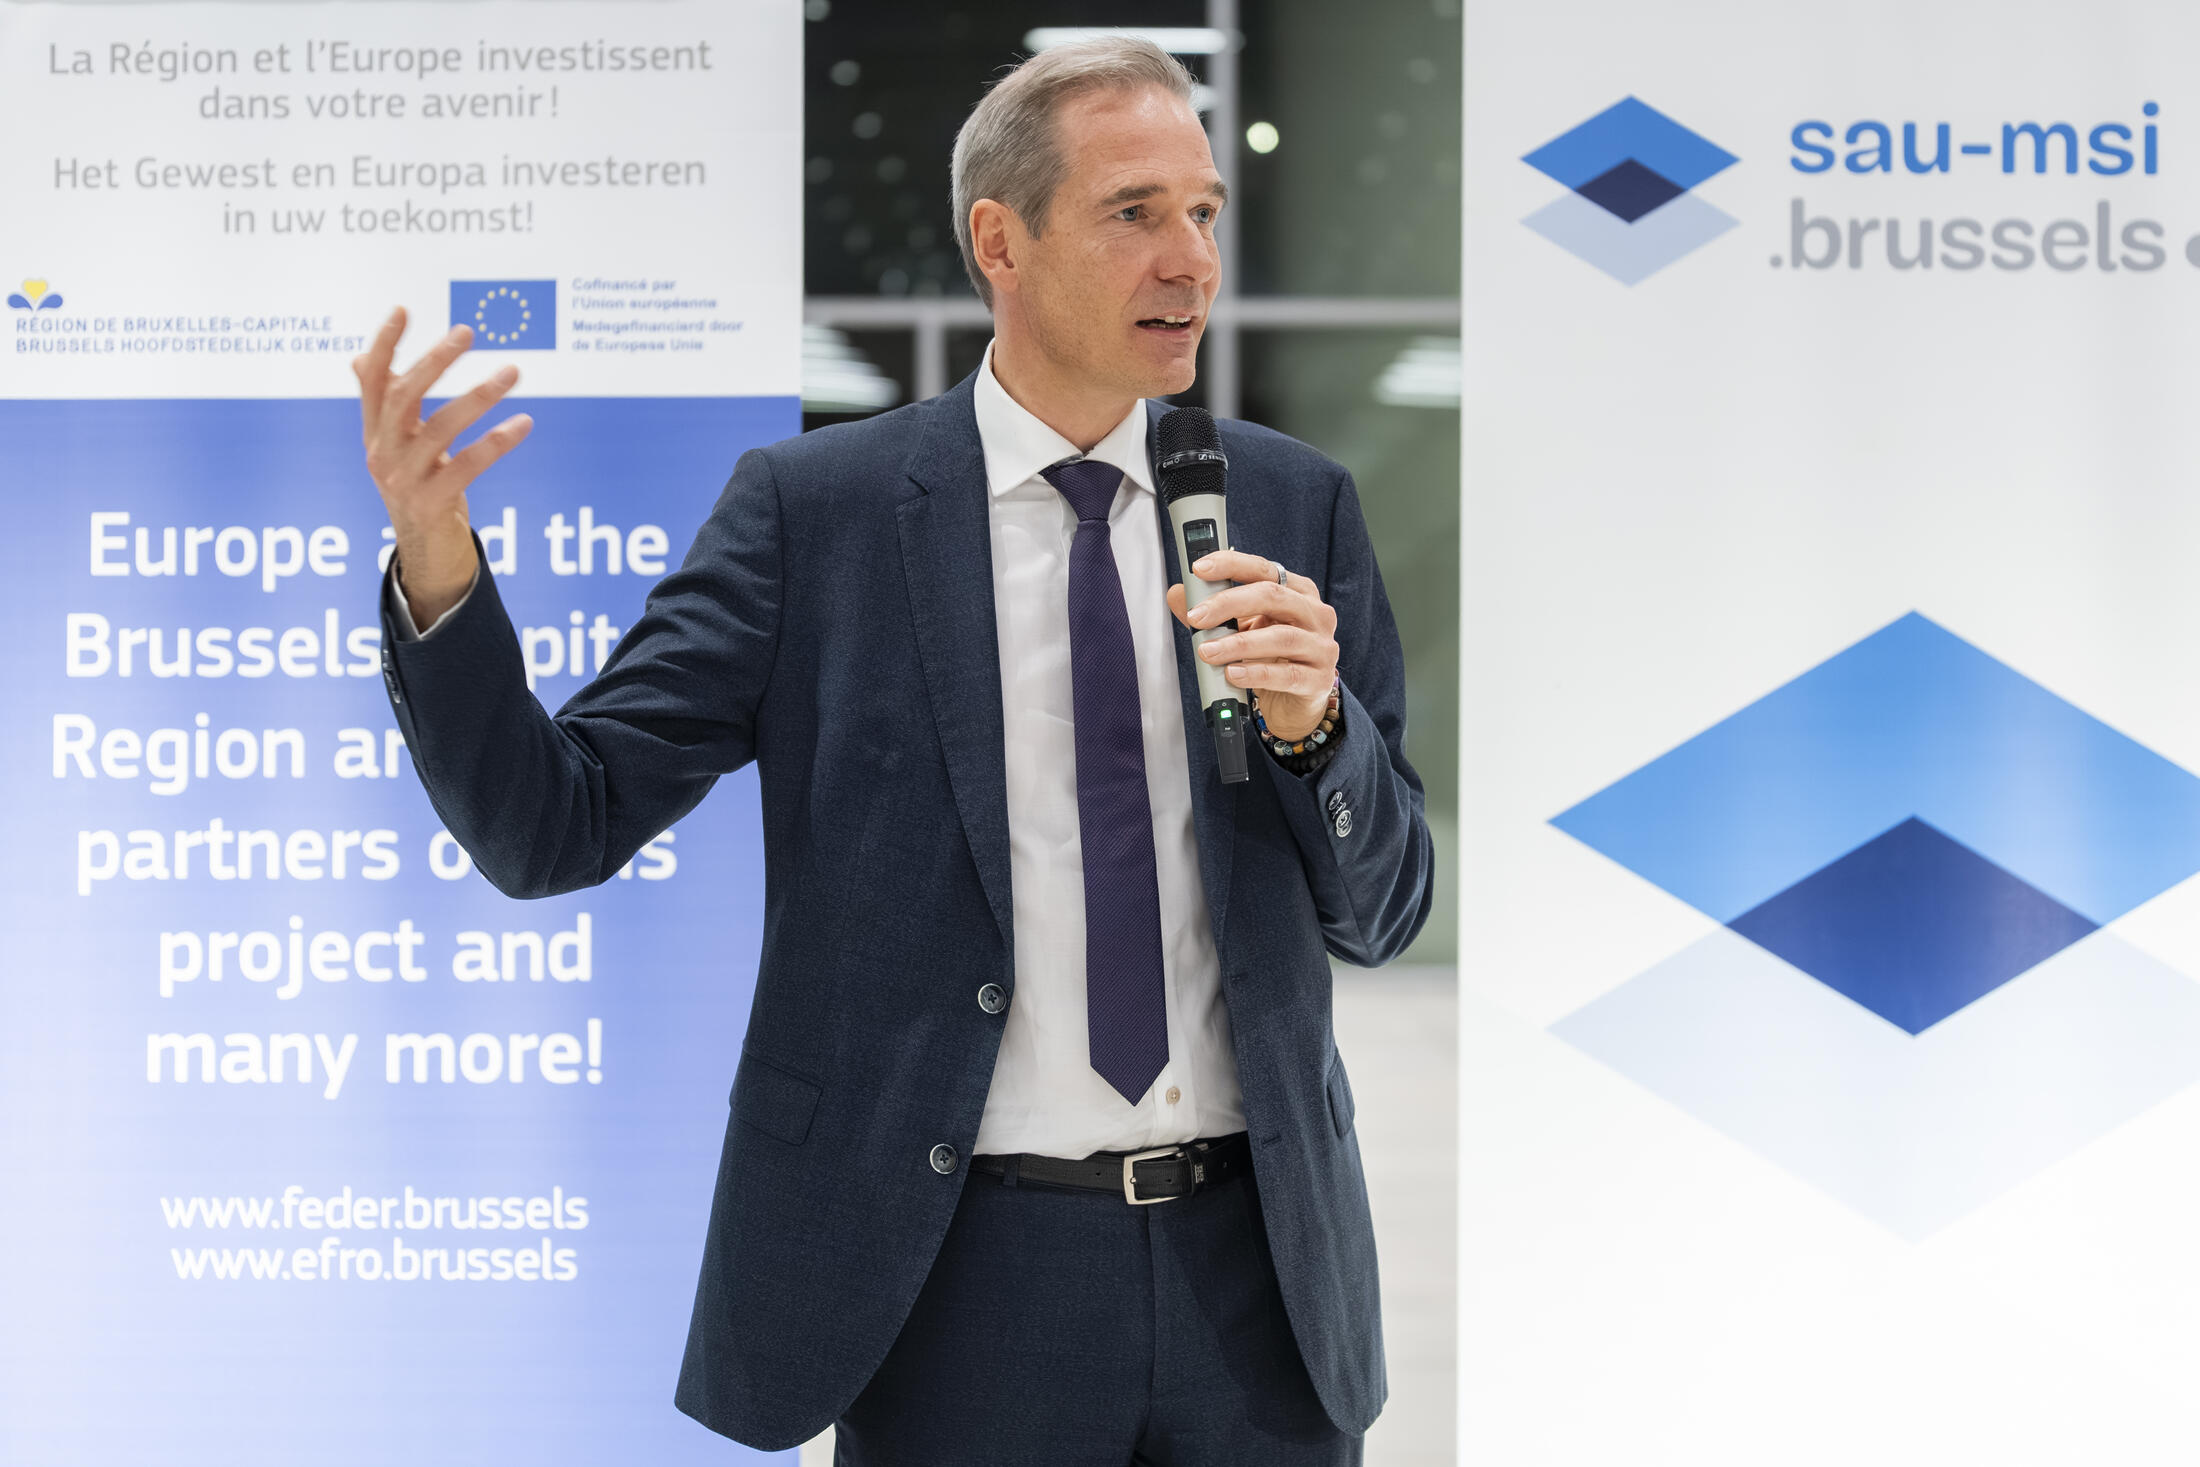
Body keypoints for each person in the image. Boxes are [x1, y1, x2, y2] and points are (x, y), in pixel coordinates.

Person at [353, 35, 1432, 1467]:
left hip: (1263, 1286)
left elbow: (1386, 911)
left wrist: (1318, 735)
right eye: (1134, 213)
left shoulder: (1291, 504)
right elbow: (555, 823)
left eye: (1204, 211)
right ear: (1001, 241)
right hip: (953, 1284)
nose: (1190, 259)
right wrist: (437, 567)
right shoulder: (820, 517)